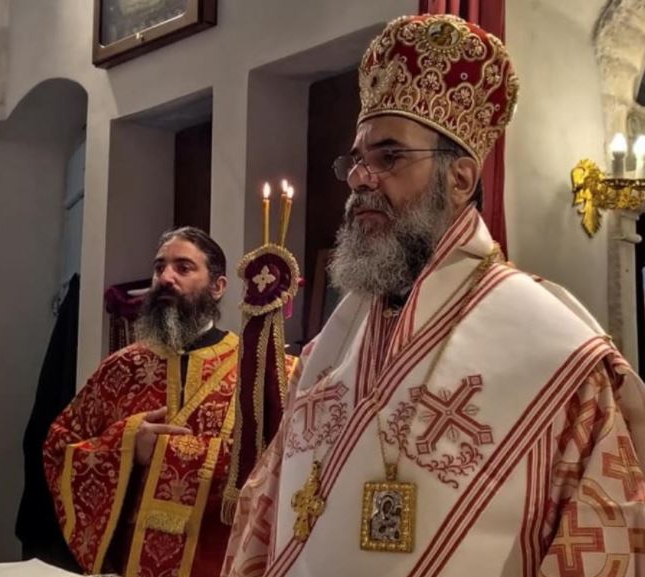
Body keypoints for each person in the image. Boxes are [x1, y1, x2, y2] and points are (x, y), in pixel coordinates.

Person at [222, 13, 645, 577]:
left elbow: (599, 544)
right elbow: (267, 515)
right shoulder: (330, 349)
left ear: (461, 179)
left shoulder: (561, 358)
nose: (361, 178)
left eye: (390, 157)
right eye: (357, 160)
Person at [44, 227, 240, 577]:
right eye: (159, 267)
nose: (165, 278)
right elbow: (58, 447)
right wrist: (126, 444)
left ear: (217, 286)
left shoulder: (254, 370)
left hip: (220, 562)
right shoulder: (122, 368)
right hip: (130, 565)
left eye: (183, 268)